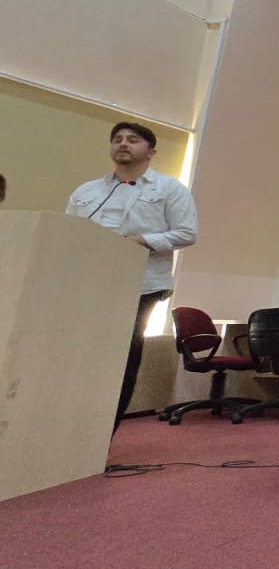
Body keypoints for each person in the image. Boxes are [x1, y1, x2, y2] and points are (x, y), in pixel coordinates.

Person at [67, 121, 197, 429]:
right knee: (79, 355)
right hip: (88, 284)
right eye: (117, 139)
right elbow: (68, 231)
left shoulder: (169, 189)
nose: (123, 143)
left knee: (120, 359)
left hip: (140, 284)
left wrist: (142, 241)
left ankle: (104, 432)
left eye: (133, 139)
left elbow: (187, 233)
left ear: (151, 152)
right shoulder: (87, 191)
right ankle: (70, 428)